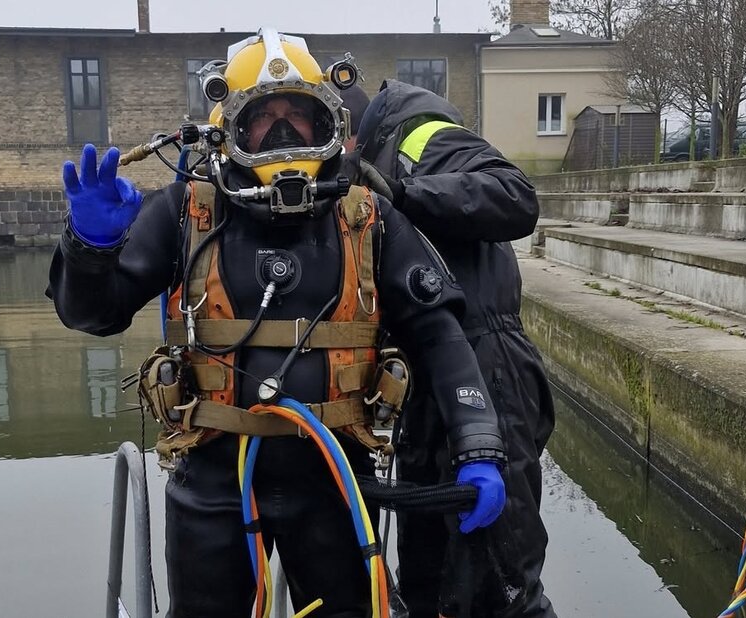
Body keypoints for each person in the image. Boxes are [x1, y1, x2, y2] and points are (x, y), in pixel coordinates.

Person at [48, 30, 509, 617]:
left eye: (301, 115)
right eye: (265, 117)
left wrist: (479, 446)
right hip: (212, 482)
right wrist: (90, 249)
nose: (285, 132)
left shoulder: (366, 218)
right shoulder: (188, 211)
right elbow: (94, 314)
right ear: (227, 126)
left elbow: (438, 333)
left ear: (331, 125)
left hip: (338, 483)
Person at [355, 80, 558, 618]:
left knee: (502, 579)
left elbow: (516, 196)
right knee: (428, 575)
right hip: (425, 381)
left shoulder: (421, 136)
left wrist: (404, 195)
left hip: (489, 372)